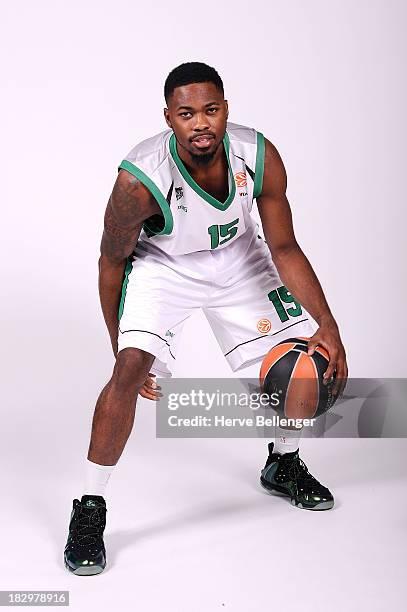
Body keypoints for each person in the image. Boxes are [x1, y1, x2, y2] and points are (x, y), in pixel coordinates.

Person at [64, 62, 348, 575]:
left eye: (211, 110)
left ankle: (283, 462)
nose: (201, 123)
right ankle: (89, 507)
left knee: (303, 367)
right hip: (165, 266)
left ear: (225, 110)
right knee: (128, 372)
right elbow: (111, 263)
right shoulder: (140, 181)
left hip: (239, 259)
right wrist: (120, 344)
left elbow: (282, 245)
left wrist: (326, 322)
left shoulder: (257, 155)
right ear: (169, 118)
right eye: (187, 113)